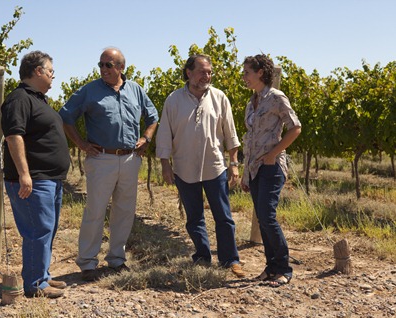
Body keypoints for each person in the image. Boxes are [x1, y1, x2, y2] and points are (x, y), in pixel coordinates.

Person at [59, 47, 159, 282]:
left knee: (124, 211)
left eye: (108, 65)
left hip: (129, 158)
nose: (103, 69)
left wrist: (146, 138)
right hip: (101, 158)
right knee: (95, 210)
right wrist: (81, 144)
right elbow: (66, 116)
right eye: (101, 65)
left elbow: (153, 116)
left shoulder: (135, 90)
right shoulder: (89, 90)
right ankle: (87, 263)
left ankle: (116, 260)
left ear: (121, 67)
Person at [155, 54, 245, 278]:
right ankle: (202, 257)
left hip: (214, 167)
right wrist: (165, 165)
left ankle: (230, 260)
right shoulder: (173, 100)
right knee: (194, 218)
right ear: (189, 72)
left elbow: (230, 134)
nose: (207, 76)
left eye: (209, 72)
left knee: (223, 216)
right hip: (184, 169)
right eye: (202, 71)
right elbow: (165, 134)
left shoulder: (219, 97)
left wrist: (234, 165)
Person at [1, 50, 70, 298]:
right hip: (36, 179)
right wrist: (24, 174)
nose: (53, 76)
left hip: (50, 179)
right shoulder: (19, 99)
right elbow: (13, 136)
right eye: (51, 71)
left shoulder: (38, 99)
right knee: (37, 230)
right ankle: (34, 284)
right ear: (38, 71)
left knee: (46, 230)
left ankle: (43, 275)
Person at [240, 54, 301, 287]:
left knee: (267, 216)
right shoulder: (251, 102)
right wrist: (246, 174)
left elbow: (295, 128)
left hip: (272, 167)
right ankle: (271, 267)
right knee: (263, 219)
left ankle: (284, 268)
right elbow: (251, 140)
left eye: (247, 72)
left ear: (260, 74)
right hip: (255, 168)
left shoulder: (276, 98)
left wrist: (274, 153)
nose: (244, 77)